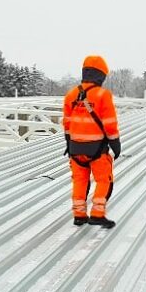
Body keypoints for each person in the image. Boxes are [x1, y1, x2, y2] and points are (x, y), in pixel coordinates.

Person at [62, 55, 121, 228]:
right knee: (104, 180)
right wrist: (116, 145)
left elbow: (66, 123)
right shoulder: (103, 95)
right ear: (101, 76)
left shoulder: (71, 94)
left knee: (80, 181)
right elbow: (110, 124)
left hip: (75, 148)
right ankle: (97, 214)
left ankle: (79, 215)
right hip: (97, 149)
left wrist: (68, 143)